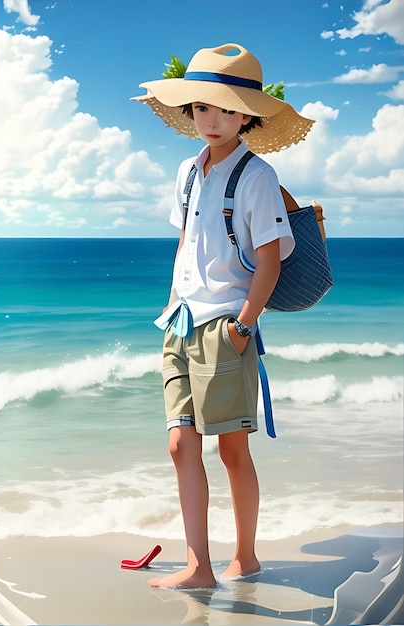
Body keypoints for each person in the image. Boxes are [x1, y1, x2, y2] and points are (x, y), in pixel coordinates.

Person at [132, 43, 314, 589]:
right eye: (204, 107)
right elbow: (187, 241)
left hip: (226, 325)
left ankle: (246, 557)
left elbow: (269, 259)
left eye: (229, 109)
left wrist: (243, 326)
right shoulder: (188, 171)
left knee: (233, 450)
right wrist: (170, 306)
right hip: (182, 321)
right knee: (179, 443)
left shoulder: (257, 176)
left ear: (248, 116)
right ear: (191, 112)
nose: (214, 119)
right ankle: (198, 567)